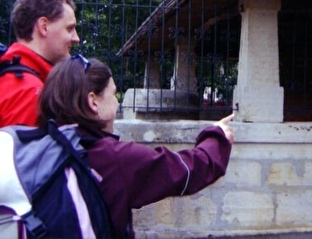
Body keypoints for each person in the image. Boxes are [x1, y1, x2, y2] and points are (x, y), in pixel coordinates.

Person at [38, 55, 234, 238]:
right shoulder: (111, 157)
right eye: (113, 94)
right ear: (93, 102)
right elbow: (187, 170)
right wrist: (217, 136)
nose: (117, 104)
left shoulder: (42, 145)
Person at [0, 0, 80, 127]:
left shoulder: (13, 76)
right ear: (44, 27)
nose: (76, 38)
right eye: (69, 29)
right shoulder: (29, 92)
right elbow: (24, 149)